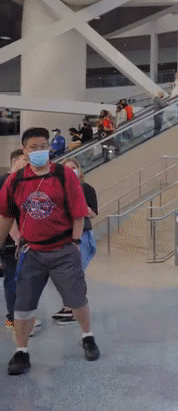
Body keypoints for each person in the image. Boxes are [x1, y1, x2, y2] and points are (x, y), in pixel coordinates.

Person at [0, 127, 99, 375]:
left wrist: (75, 244)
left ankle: (87, 336)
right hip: (32, 252)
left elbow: (79, 212)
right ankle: (21, 352)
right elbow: (6, 216)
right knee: (23, 305)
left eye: (43, 146)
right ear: (24, 149)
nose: (39, 151)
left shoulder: (64, 175)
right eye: (33, 147)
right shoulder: (15, 180)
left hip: (63, 248)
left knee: (76, 298)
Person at [51, 158, 97, 325]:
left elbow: (92, 213)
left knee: (75, 273)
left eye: (73, 167)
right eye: (66, 168)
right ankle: (69, 306)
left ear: (78, 169)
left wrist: (78, 206)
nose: (70, 170)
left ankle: (74, 309)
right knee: (67, 273)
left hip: (82, 235)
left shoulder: (85, 188)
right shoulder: (59, 189)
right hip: (65, 235)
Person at [1, 150, 30, 329]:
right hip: (11, 241)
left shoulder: (24, 183)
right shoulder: (5, 182)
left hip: (26, 240)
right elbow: (5, 213)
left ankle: (22, 317)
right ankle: (13, 319)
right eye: (25, 160)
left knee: (26, 280)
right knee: (12, 279)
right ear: (16, 161)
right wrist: (14, 235)